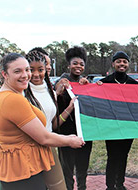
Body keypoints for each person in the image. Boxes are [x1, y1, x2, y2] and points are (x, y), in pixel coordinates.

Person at [0, 53, 84, 190]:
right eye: (17, 71)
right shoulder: (13, 100)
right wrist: (70, 140)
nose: (25, 75)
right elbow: (43, 137)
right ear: (4, 74)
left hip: (21, 166)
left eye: (27, 70)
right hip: (23, 169)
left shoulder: (9, 95)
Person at [25, 50, 77, 190]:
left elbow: (53, 125)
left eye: (40, 69)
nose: (36, 74)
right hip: (29, 151)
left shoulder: (51, 93)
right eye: (31, 70)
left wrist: (69, 109)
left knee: (58, 187)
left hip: (49, 148)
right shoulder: (21, 94)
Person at [97, 51, 138, 190]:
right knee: (112, 156)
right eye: (119, 61)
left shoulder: (134, 84)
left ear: (128, 64)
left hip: (128, 126)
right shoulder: (104, 83)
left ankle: (120, 184)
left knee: (123, 155)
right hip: (111, 126)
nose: (122, 64)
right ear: (113, 64)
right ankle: (110, 186)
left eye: (125, 61)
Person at [54, 46, 92, 190]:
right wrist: (59, 89)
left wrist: (94, 86)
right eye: (75, 63)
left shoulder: (85, 83)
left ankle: (82, 187)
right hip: (66, 132)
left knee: (83, 167)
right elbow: (54, 101)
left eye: (82, 64)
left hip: (84, 132)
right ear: (69, 65)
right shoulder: (61, 82)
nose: (78, 66)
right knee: (67, 169)